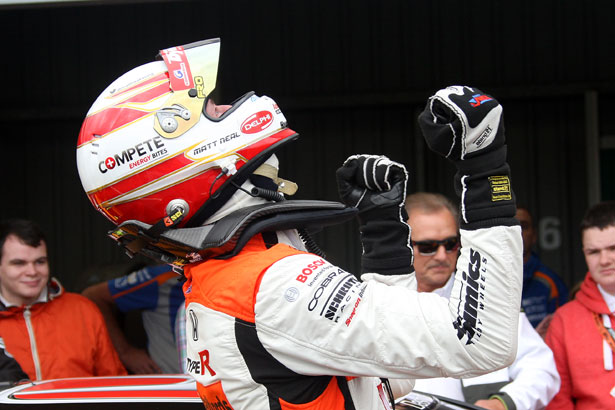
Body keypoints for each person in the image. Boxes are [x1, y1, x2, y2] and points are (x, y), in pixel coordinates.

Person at [76, 37, 522, 410]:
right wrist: (485, 167)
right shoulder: (267, 286)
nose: (230, 106)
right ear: (173, 159)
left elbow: (383, 373)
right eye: (210, 109)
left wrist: (383, 233)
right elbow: (481, 342)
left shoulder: (227, 274)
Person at [406, 192, 559, 410]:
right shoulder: (378, 305)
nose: (441, 255)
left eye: (450, 244)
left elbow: (541, 368)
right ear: (403, 246)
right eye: (428, 247)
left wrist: (503, 404)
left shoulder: (490, 297)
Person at [0, 218, 126, 381]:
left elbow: (114, 383)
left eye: (40, 262)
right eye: (19, 263)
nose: (32, 271)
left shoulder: (82, 310)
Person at [545, 200, 615, 409]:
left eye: (613, 248)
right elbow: (557, 400)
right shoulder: (564, 320)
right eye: (594, 252)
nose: (604, 260)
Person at [82, 264, 185, 374]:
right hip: (171, 381)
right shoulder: (166, 278)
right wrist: (125, 352)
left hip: (199, 380)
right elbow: (93, 296)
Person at [516, 206, 568, 334]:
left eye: (523, 226)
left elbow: (562, 334)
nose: (517, 232)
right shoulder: (488, 280)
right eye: (511, 227)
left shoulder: (550, 283)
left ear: (534, 236)